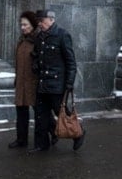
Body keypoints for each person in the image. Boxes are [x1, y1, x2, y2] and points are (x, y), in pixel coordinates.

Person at [30, 9, 84, 152]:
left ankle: (78, 133)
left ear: (51, 19)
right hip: (42, 83)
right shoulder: (40, 36)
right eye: (38, 21)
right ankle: (42, 144)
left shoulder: (62, 35)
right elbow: (36, 55)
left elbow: (71, 61)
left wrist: (69, 83)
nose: (40, 24)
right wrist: (35, 64)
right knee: (41, 115)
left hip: (57, 84)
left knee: (62, 113)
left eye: (42, 21)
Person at [9, 11, 38, 148]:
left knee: (39, 111)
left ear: (32, 25)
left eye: (25, 24)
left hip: (34, 82)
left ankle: (54, 132)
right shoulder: (22, 40)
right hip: (21, 82)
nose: (22, 27)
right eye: (21, 24)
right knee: (21, 112)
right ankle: (21, 139)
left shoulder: (37, 41)